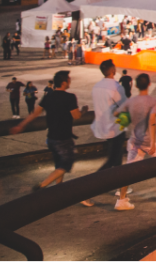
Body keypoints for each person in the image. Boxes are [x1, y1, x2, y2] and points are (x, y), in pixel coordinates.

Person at [10, 70, 92, 205]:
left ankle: (58, 193)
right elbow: (76, 116)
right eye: (69, 80)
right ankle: (42, 185)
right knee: (65, 165)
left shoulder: (48, 96)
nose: (70, 82)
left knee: (58, 165)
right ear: (65, 82)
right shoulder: (70, 97)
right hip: (64, 138)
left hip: (51, 138)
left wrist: (21, 125)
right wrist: (84, 110)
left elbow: (35, 113)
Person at [113, 73, 156, 210]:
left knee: (128, 170)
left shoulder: (130, 101)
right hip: (151, 140)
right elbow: (152, 122)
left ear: (136, 85)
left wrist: (128, 117)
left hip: (135, 140)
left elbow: (116, 114)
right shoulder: (153, 101)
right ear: (149, 84)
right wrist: (152, 144)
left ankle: (121, 200)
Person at [91, 60, 128, 183]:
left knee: (116, 158)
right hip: (115, 127)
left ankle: (119, 186)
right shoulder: (116, 87)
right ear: (113, 71)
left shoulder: (96, 86)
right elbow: (124, 105)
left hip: (102, 127)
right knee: (113, 159)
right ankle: (90, 185)